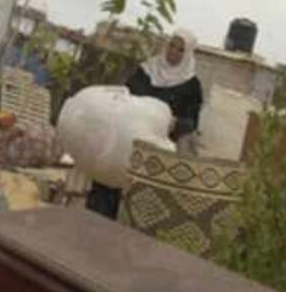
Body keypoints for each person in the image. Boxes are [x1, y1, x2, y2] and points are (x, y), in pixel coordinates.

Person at [85, 28, 205, 219]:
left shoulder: (191, 85)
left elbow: (192, 123)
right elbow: (126, 94)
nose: (173, 52)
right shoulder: (146, 71)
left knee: (135, 206)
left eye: (180, 49)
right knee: (105, 189)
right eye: (172, 46)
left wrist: (175, 123)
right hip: (124, 143)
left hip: (155, 153)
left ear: (188, 53)